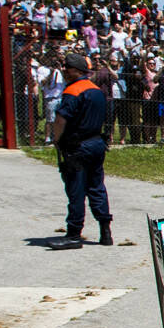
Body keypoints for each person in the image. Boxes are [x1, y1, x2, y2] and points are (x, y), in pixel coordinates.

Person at [48, 52, 112, 250]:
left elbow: (61, 119)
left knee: (76, 189)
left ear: (76, 70)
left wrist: (57, 140)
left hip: (78, 147)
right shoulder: (97, 91)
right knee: (96, 186)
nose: (64, 71)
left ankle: (74, 234)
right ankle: (105, 231)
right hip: (97, 143)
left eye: (67, 68)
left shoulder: (73, 91)